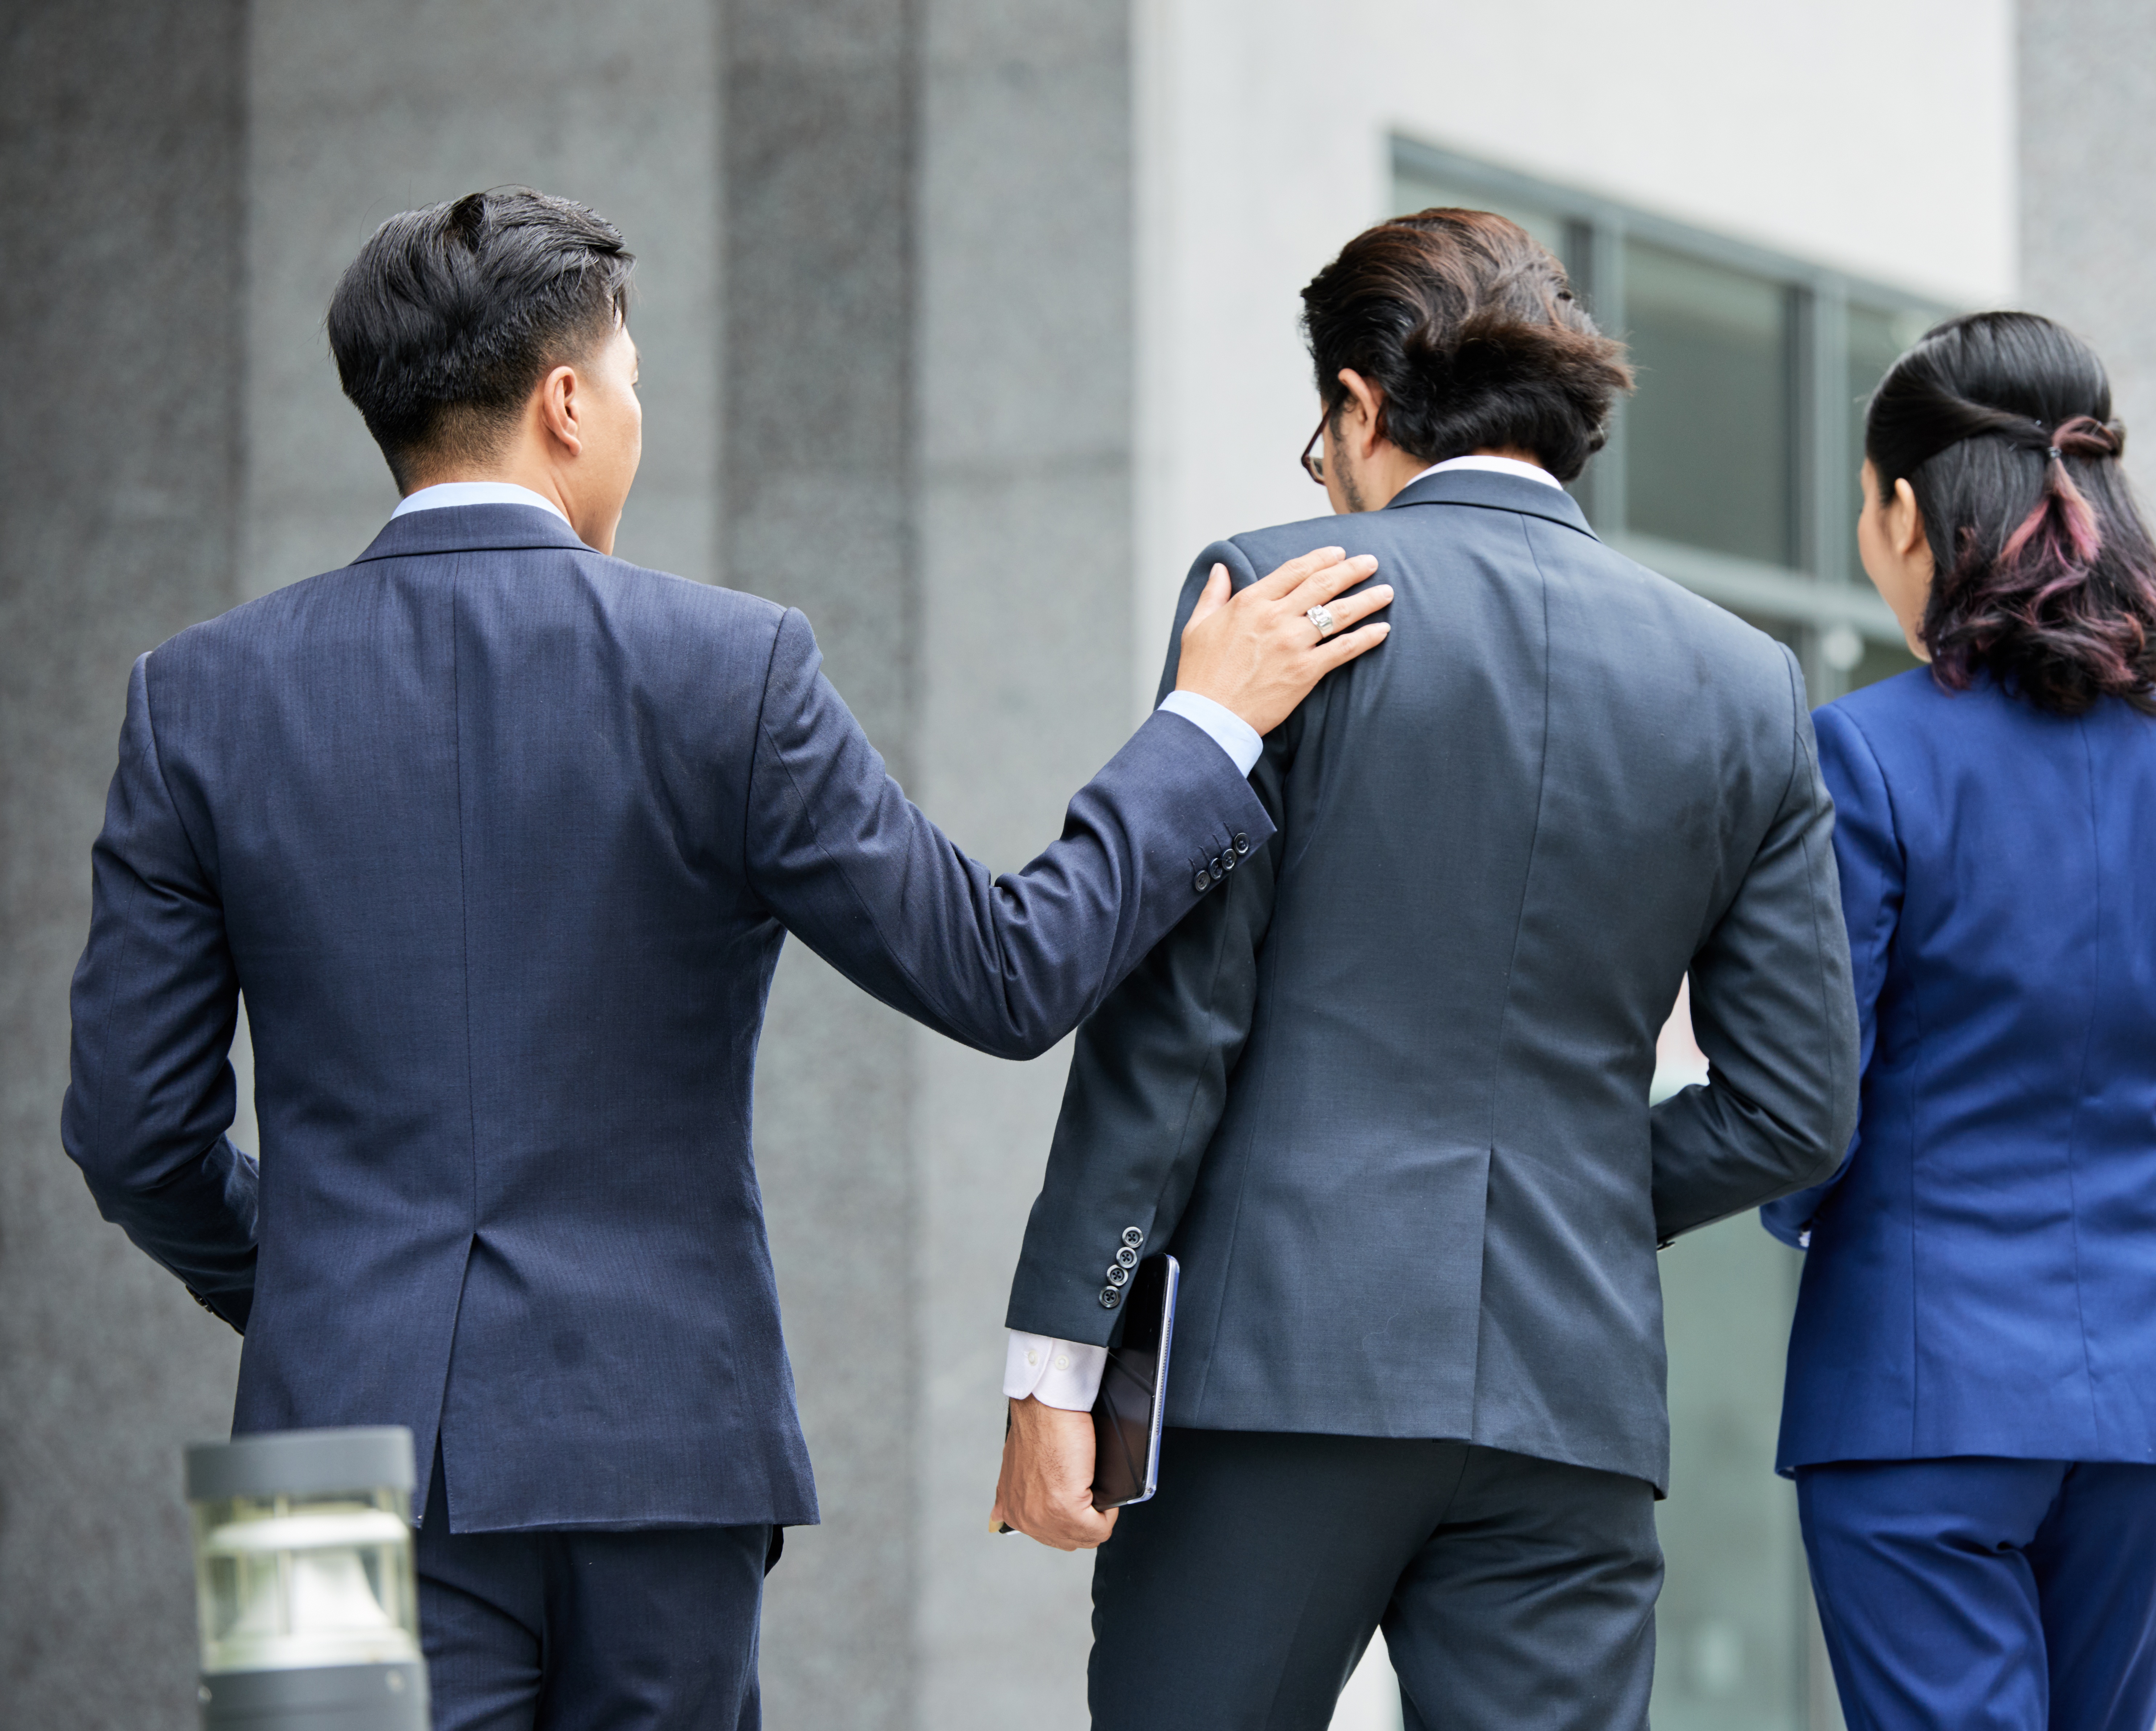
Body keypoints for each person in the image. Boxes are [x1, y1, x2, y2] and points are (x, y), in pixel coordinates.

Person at [58, 187, 1391, 1730]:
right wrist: (1208, 725)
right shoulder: (727, 671)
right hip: (660, 1446)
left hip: (315, 1452)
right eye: (629, 385)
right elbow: (1005, 970)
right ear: (564, 404)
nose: (637, 418)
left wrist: (315, 1280)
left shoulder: (196, 700)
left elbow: (134, 1132)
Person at [987, 208, 1861, 1730]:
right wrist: (1564, 1185)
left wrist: (1061, 1357)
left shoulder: (1279, 600)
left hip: (1276, 1368)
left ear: (1358, 404)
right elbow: (1796, 1105)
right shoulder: (1738, 682)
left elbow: (1170, 1026)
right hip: (1568, 1400)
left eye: (1317, 434)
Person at [1762, 311, 2156, 1730]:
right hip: (2147, 1426)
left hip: (1914, 1398)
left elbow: (1818, 1103)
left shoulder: (1860, 754)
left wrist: (1775, 1183)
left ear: (1902, 511)